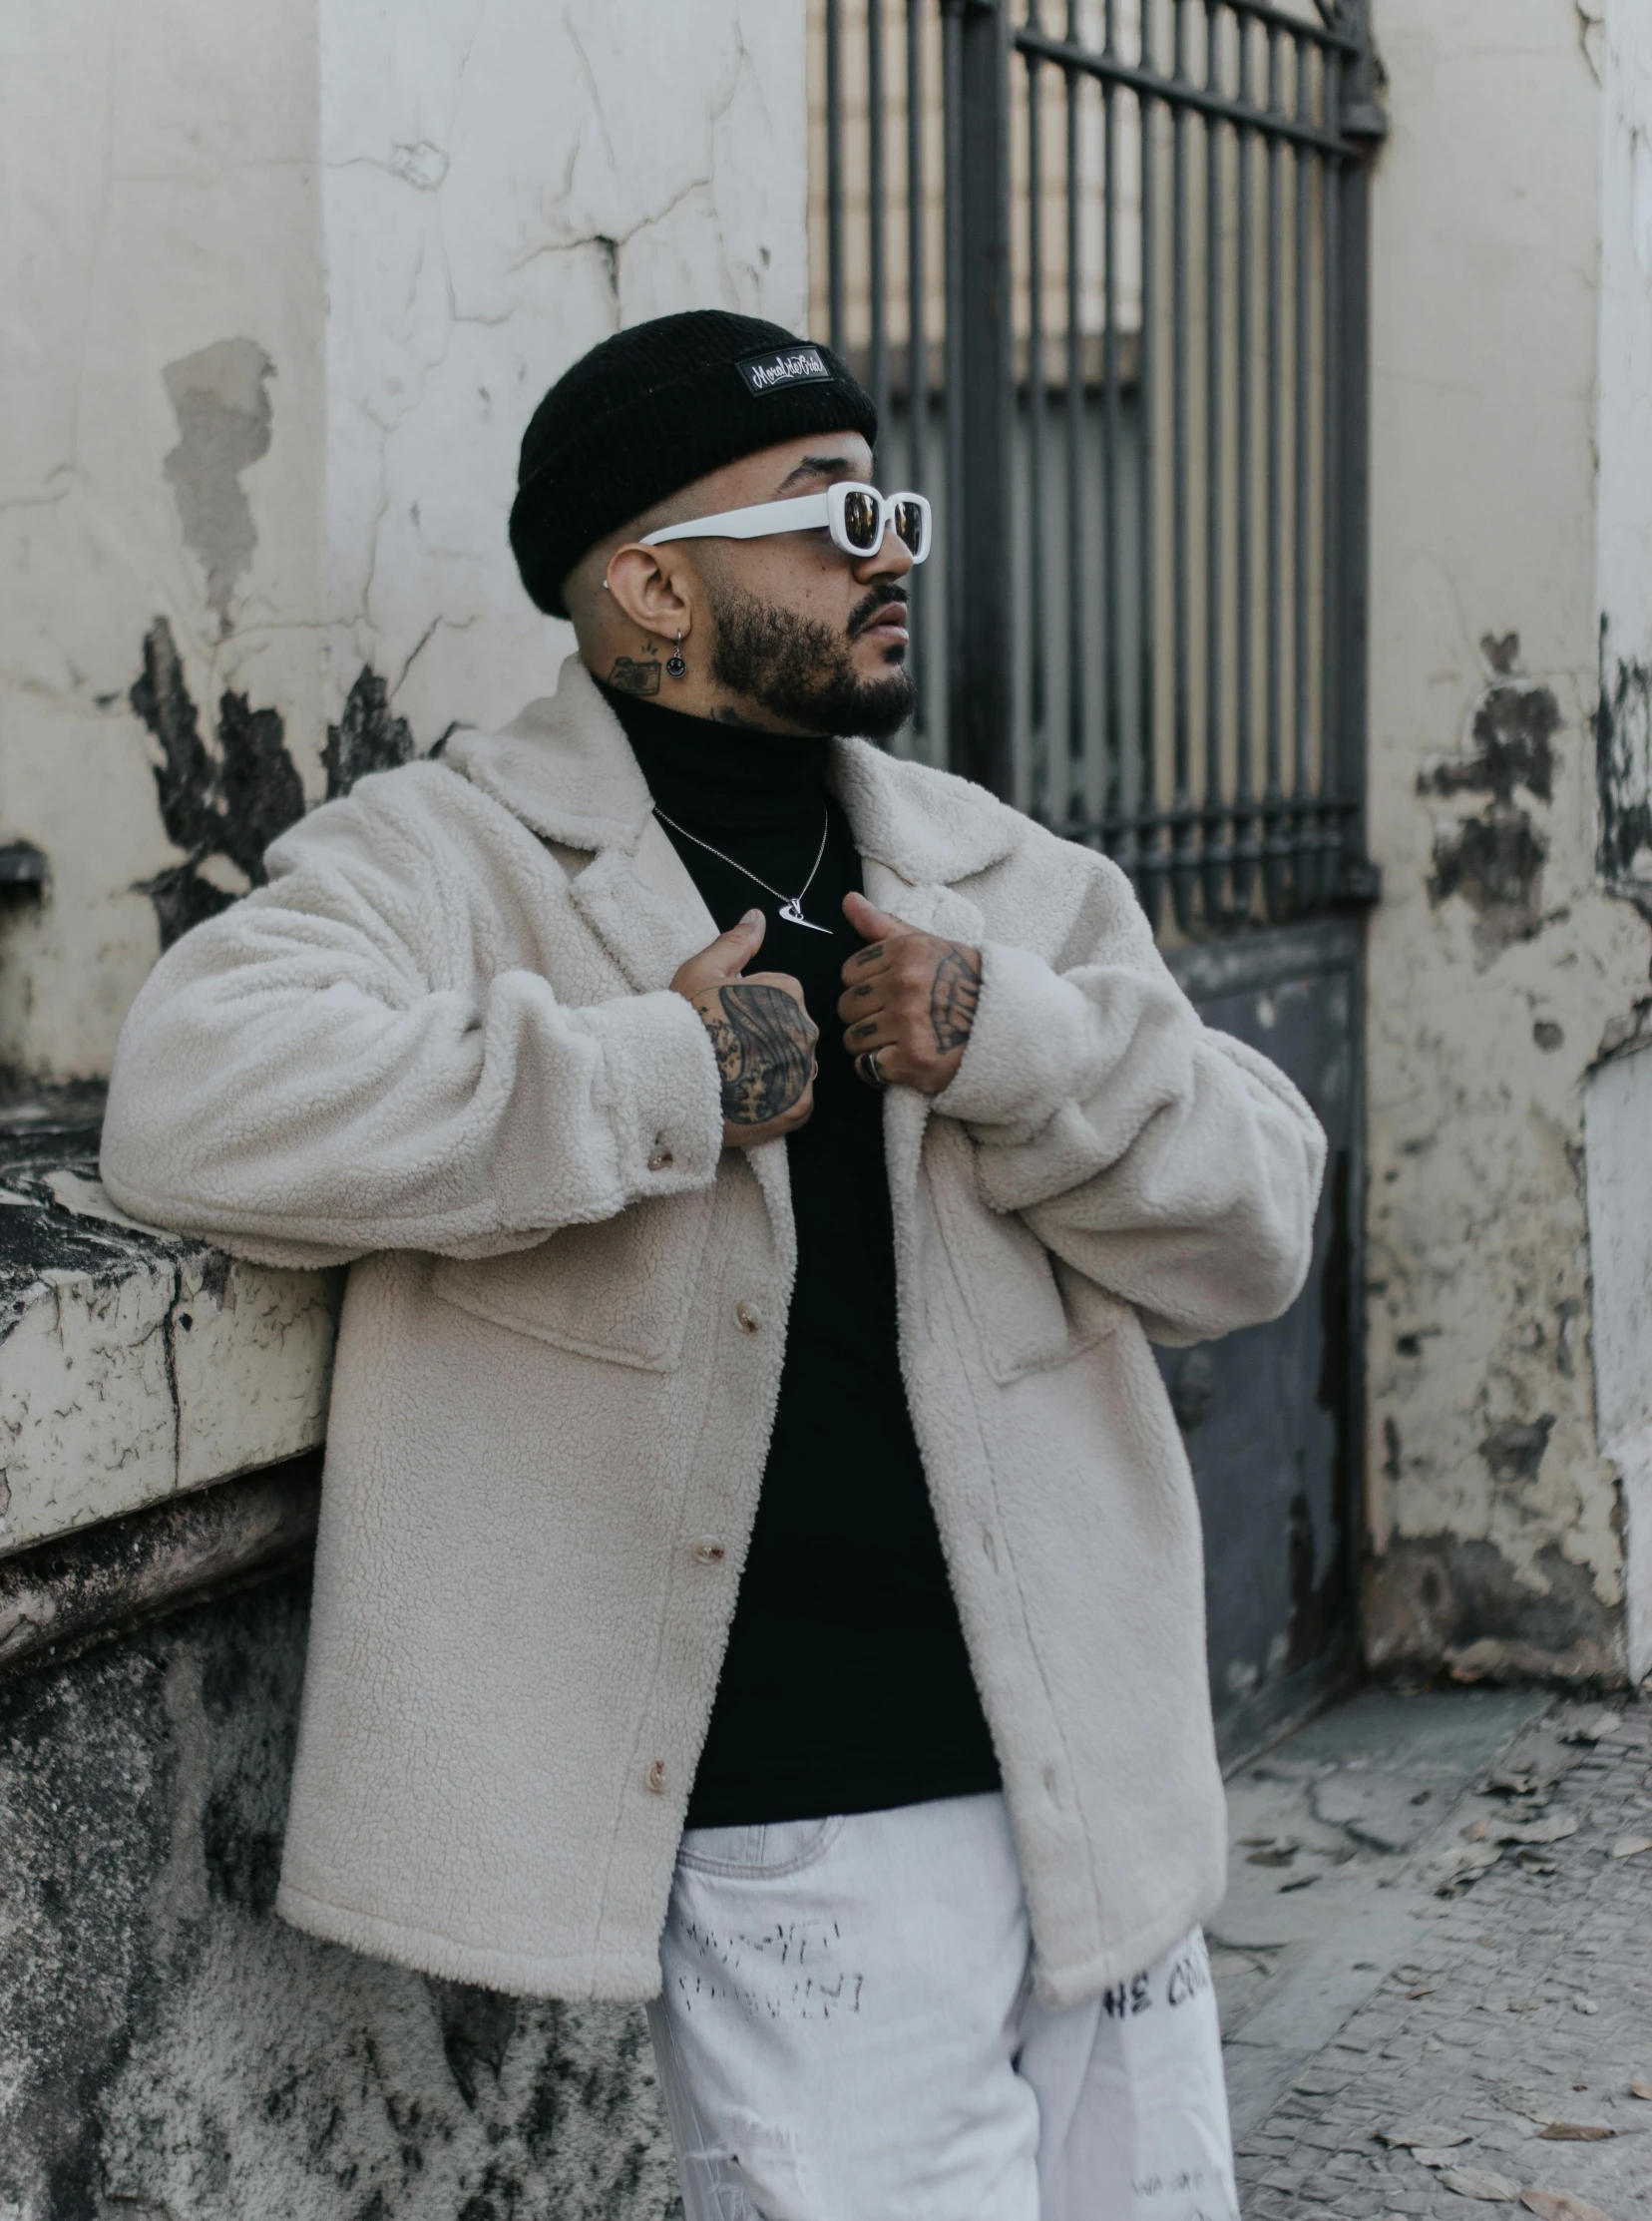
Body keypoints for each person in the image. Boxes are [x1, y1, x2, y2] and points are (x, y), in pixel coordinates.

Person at [101, 311, 1326, 2217]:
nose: (889, 548)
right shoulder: (455, 854)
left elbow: (1260, 1217)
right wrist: (651, 1077)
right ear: (652, 586)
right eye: (830, 512)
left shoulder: (1002, 878)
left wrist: (1012, 1043)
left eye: (892, 504)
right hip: (801, 1816)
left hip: (1095, 1779)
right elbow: (190, 1092)